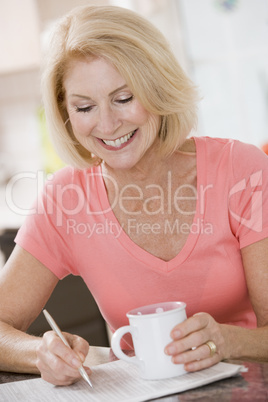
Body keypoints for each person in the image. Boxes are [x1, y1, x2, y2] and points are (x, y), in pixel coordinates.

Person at [0, 4, 267, 387]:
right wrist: (40, 352)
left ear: (156, 88)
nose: (107, 125)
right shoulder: (65, 199)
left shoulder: (241, 169)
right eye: (84, 107)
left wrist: (228, 340)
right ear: (65, 114)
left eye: (124, 98)